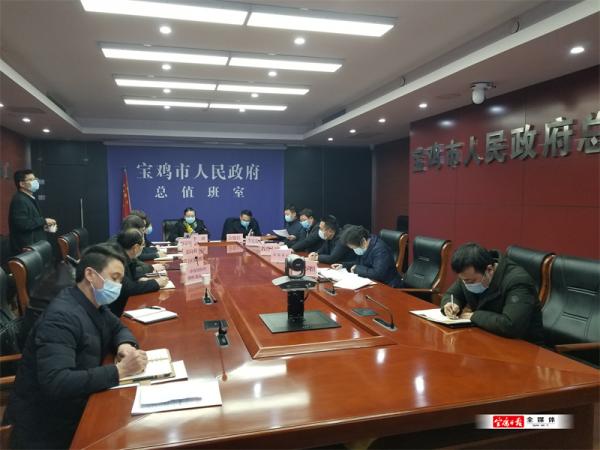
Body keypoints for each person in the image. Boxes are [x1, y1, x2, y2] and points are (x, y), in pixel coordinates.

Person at [4, 245, 148, 449]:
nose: (117, 286)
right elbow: (57, 381)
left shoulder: (91, 303)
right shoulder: (60, 318)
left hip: (78, 406)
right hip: (47, 428)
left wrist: (124, 345)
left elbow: (118, 327)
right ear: (90, 274)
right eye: (114, 278)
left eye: (120, 280)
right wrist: (119, 371)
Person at [440, 242, 544, 344]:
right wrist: (450, 305)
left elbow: (510, 325)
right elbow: (451, 295)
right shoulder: (469, 274)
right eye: (463, 280)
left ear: (489, 269)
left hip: (523, 345)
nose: (466, 284)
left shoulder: (518, 282)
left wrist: (474, 316)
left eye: (470, 281)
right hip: (486, 337)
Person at [108, 229, 169, 317]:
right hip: (115, 311)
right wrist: (156, 283)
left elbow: (132, 277)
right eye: (143, 245)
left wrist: (143, 279)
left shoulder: (126, 256)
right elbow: (129, 288)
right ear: (136, 247)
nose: (143, 247)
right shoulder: (118, 260)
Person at [8, 169, 57, 255]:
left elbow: (30, 222)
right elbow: (22, 224)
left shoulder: (27, 198)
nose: (35, 181)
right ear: (22, 184)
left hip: (34, 247)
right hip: (27, 250)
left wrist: (43, 227)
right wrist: (44, 221)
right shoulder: (19, 200)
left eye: (35, 179)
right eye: (31, 179)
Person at [336, 225, 402, 287]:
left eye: (354, 248)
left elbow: (378, 274)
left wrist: (357, 269)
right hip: (373, 282)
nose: (354, 250)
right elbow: (360, 263)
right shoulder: (365, 246)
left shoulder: (380, 250)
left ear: (363, 241)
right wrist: (344, 265)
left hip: (388, 286)